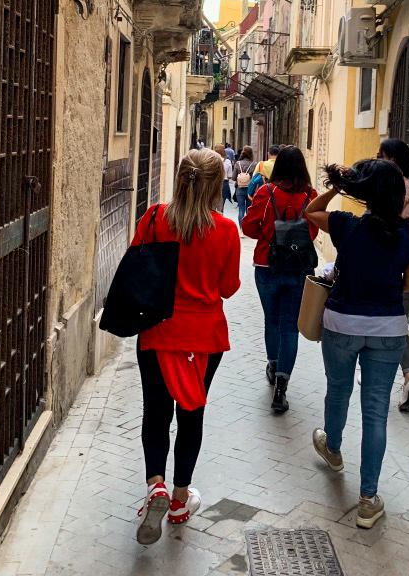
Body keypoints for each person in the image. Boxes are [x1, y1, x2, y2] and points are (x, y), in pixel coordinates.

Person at [304, 159, 409, 529]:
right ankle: (368, 500)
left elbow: (311, 210)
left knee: (338, 391)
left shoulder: (346, 226)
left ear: (366, 193)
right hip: (388, 329)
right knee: (375, 413)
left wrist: (339, 188)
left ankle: (333, 448)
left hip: (342, 323)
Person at [133, 149, 241, 545]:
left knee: (155, 413)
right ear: (217, 185)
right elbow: (228, 288)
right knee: (191, 414)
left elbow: (136, 264)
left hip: (158, 333)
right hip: (205, 337)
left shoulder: (155, 218)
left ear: (180, 179)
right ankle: (179, 500)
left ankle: (155, 486)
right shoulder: (227, 231)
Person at [241, 146, 318, 413]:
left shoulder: (266, 192)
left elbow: (249, 226)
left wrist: (269, 233)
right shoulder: (311, 195)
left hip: (267, 263)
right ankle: (282, 387)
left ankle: (273, 367)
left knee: (271, 321)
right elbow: (313, 230)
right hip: (298, 268)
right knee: (289, 327)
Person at [378, 138, 409, 411]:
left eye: (380, 156)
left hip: (383, 264)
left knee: (376, 321)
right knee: (399, 324)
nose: (377, 160)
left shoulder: (384, 188)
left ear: (392, 160)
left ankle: (379, 377)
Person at [232, 146, 257, 224]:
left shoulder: (238, 163)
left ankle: (241, 230)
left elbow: (233, 178)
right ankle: (248, 228)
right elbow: (255, 178)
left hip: (239, 189)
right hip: (250, 190)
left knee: (241, 209)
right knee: (249, 209)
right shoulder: (254, 164)